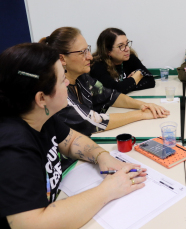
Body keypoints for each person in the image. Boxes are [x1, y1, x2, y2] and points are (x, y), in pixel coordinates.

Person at [0, 43, 147, 228]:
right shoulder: (13, 148)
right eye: (62, 80)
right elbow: (32, 225)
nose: (68, 83)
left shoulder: (41, 117)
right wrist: (108, 189)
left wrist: (101, 156)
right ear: (41, 98)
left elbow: (72, 141)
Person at [40, 27, 169, 137]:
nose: (90, 56)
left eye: (88, 50)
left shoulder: (82, 78)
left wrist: (143, 105)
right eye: (83, 52)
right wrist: (141, 114)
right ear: (62, 58)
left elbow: (111, 95)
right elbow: (92, 122)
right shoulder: (56, 91)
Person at [90, 28, 155, 94]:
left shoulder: (130, 58)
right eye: (121, 46)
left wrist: (126, 86)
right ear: (107, 51)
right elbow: (115, 91)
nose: (127, 49)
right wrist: (138, 75)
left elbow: (151, 81)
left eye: (127, 44)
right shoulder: (97, 65)